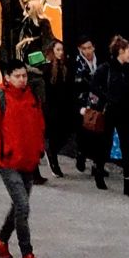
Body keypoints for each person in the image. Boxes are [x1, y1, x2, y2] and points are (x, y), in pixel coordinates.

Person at [0, 59, 45, 258]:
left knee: (19, 206)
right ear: (7, 77)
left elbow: (39, 123)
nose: (22, 80)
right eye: (18, 76)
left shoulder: (33, 97)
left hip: (28, 160)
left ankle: (1, 239)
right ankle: (27, 254)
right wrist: (1, 151)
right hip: (9, 161)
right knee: (23, 206)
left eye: (24, 76)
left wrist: (39, 148)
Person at [72, 37, 109, 184]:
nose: (87, 51)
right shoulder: (77, 63)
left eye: (89, 48)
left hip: (100, 101)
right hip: (84, 102)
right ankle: (81, 153)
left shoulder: (102, 62)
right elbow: (75, 84)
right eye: (83, 49)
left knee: (99, 133)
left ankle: (96, 164)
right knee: (85, 131)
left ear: (94, 47)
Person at [42, 39, 76, 178]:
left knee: (66, 132)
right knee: (54, 133)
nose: (61, 53)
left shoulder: (66, 67)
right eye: (58, 50)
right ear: (52, 51)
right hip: (51, 105)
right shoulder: (47, 68)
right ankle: (53, 158)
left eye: (62, 50)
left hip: (65, 105)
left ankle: (51, 151)